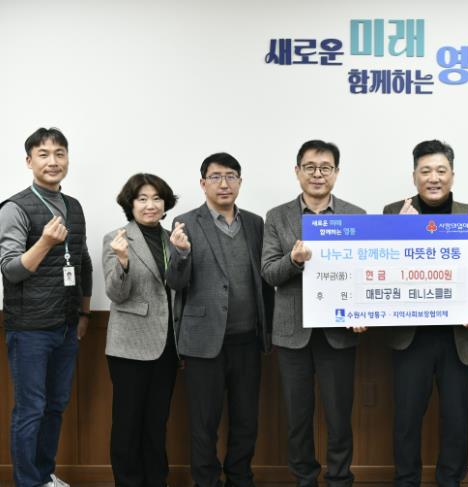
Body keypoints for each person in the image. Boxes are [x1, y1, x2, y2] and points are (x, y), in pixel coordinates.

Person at [383, 140, 468, 487]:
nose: (434, 178)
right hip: (411, 337)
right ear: (414, 176)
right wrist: (401, 232)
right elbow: (382, 267)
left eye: (441, 171)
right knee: (406, 420)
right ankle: (406, 481)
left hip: (458, 337)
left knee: (456, 420)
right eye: (426, 171)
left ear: (452, 175)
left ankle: (451, 481)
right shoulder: (393, 213)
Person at [261, 139, 366, 487]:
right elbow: (269, 273)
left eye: (325, 168)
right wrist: (293, 260)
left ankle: (340, 479)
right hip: (293, 332)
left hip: (339, 332)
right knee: (298, 417)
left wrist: (363, 311)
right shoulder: (277, 216)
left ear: (336, 172)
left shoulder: (356, 215)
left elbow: (365, 273)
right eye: (310, 167)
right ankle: (304, 478)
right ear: (297, 171)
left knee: (339, 416)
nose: (318, 174)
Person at [166, 153, 273, 487]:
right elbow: (175, 282)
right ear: (203, 183)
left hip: (247, 339)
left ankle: (240, 478)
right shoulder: (185, 222)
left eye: (231, 176)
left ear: (240, 182)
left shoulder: (255, 223)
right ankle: (206, 481)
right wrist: (181, 254)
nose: (224, 183)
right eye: (215, 177)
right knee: (204, 424)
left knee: (246, 421)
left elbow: (264, 278)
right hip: (203, 341)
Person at [0, 127, 93, 487]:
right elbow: (10, 269)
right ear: (29, 161)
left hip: (67, 326)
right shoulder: (14, 208)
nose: (53, 161)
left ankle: (43, 476)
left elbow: (83, 263)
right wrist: (43, 243)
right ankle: (28, 483)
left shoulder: (74, 206)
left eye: (59, 153)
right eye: (43, 154)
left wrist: (84, 313)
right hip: (29, 330)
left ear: (67, 158)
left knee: (55, 405)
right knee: (31, 410)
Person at [102, 173, 179, 487]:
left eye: (157, 198)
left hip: (168, 345)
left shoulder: (173, 238)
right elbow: (116, 294)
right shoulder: (116, 238)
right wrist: (122, 262)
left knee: (156, 424)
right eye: (142, 199)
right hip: (129, 347)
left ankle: (157, 481)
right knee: (128, 425)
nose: (151, 205)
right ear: (130, 204)